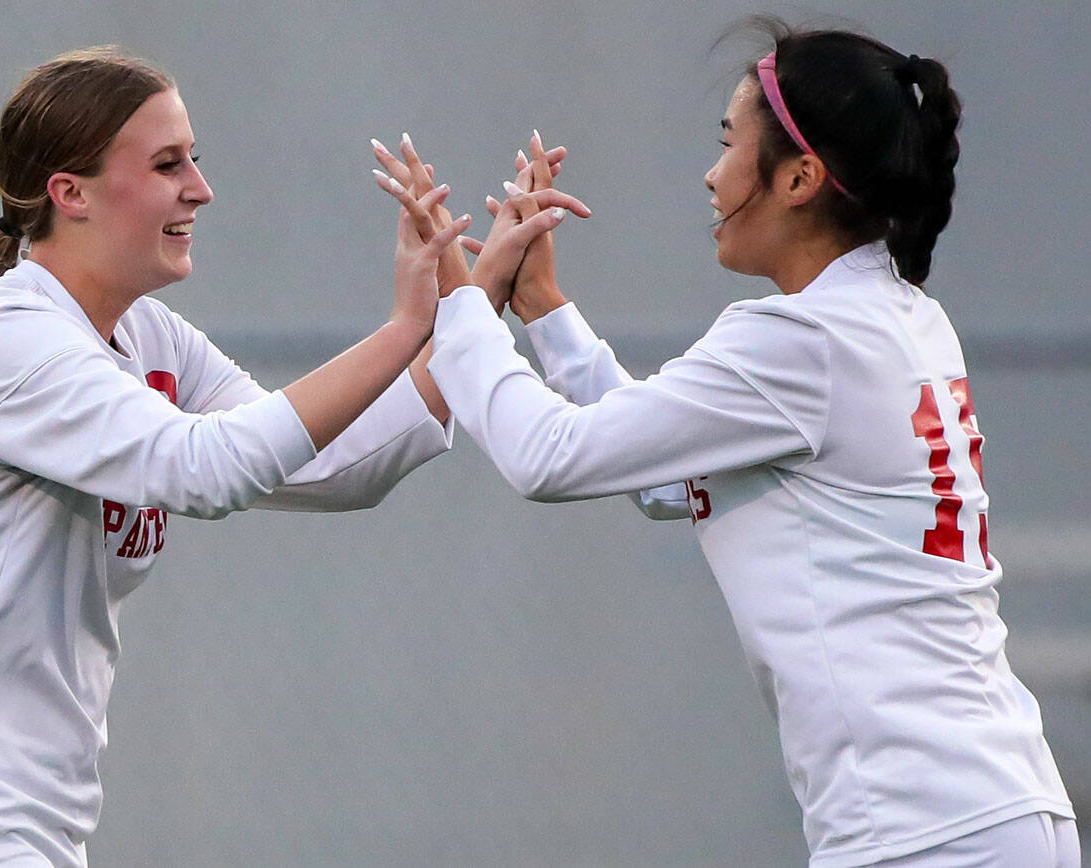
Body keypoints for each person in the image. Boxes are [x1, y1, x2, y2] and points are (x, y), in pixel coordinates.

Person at [0, 46, 487, 867]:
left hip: (14, 830)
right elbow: (205, 469)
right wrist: (405, 327)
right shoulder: (2, 339)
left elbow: (331, 466)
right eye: (167, 164)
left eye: (193, 159)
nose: (199, 188)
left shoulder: (145, 335)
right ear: (71, 193)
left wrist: (467, 317)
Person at [420, 20, 1080, 868]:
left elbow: (547, 457)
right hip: (981, 808)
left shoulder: (802, 340)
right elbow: (665, 478)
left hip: (928, 826)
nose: (712, 172)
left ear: (800, 177)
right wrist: (545, 312)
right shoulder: (894, 315)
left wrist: (461, 312)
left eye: (730, 143)